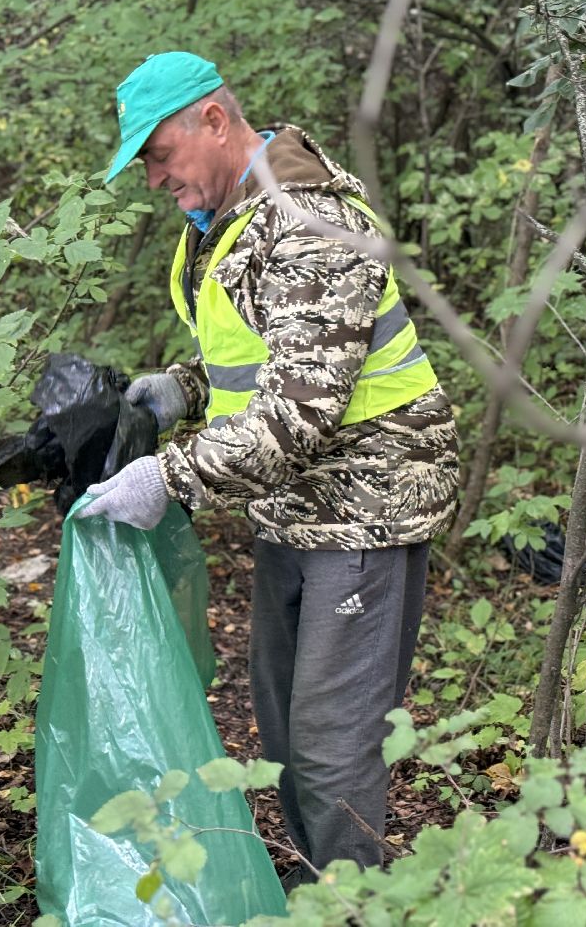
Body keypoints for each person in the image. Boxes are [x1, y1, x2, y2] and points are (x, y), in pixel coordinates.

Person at [79, 51, 460, 885]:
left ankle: (350, 900)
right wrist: (183, 389)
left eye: (160, 156)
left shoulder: (311, 223)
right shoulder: (234, 216)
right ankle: (314, 886)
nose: (155, 180)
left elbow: (299, 412)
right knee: (284, 726)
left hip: (365, 504)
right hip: (291, 501)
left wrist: (166, 478)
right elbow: (267, 351)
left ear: (215, 122)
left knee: (331, 742)